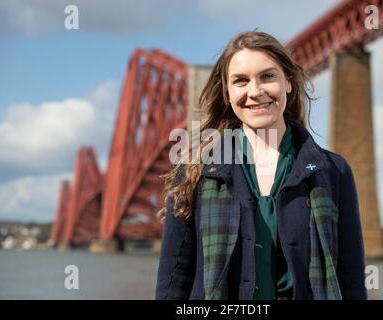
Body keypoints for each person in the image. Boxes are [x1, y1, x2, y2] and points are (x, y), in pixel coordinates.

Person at [155, 31, 367, 300]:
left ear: (288, 82)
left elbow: (351, 278)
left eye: (267, 76)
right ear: (227, 93)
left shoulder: (334, 171)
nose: (255, 92)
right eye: (241, 81)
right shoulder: (195, 172)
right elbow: (173, 281)